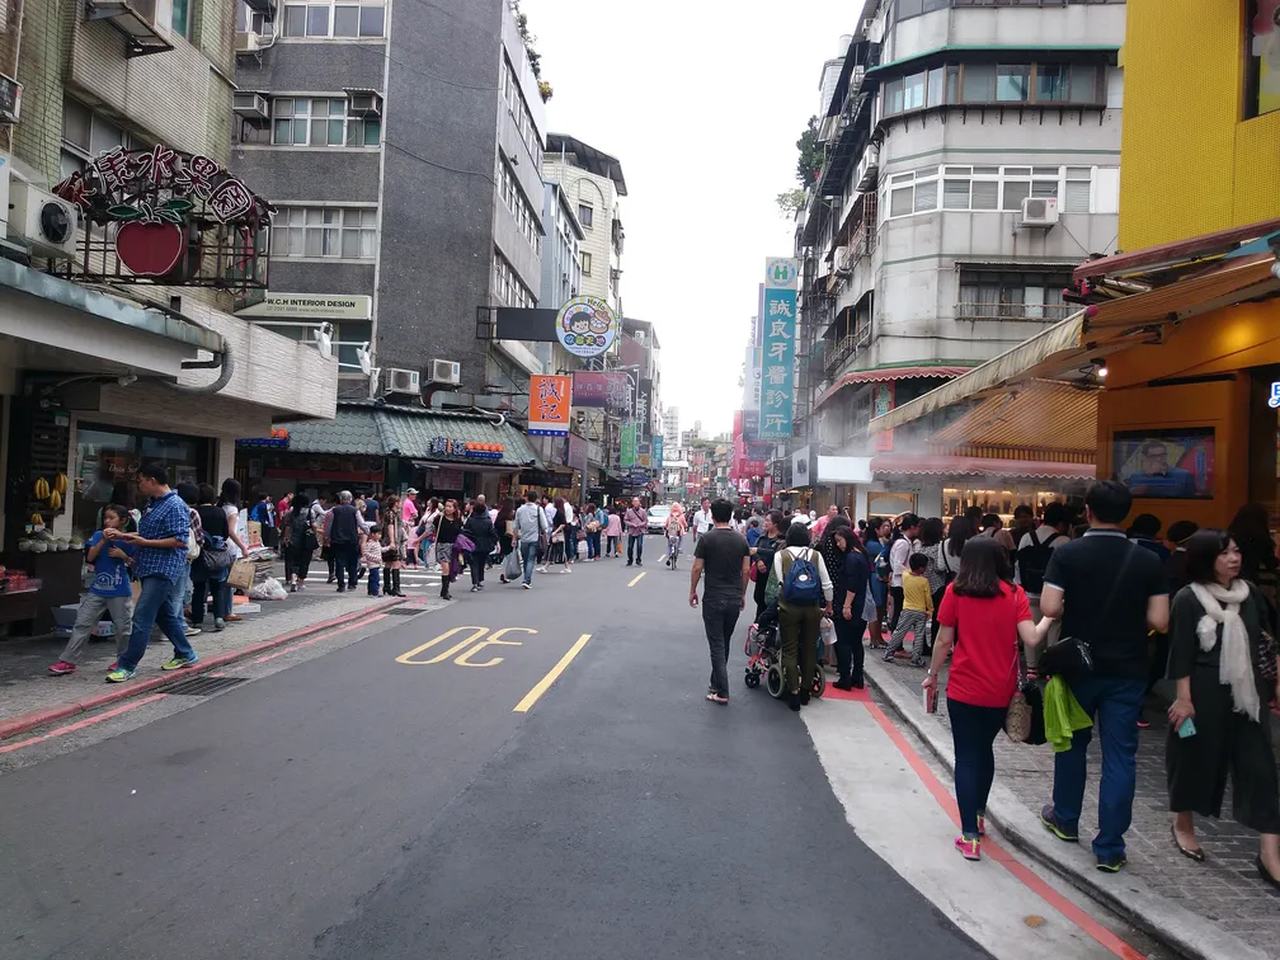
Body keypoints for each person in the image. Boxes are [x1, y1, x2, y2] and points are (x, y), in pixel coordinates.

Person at [1038, 480, 1170, 872]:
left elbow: (1050, 606)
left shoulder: (1070, 553)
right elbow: (1160, 621)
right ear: (1126, 514)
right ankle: (1110, 846)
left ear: (1087, 512)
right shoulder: (1150, 560)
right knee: (1120, 757)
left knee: (1072, 743)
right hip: (1128, 670)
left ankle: (1065, 818)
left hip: (1079, 666)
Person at [1165, 530, 1280, 885]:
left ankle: (1270, 854)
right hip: (1203, 690)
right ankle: (1182, 822)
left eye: (1236, 551)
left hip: (1248, 695)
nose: (1234, 558)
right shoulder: (1188, 598)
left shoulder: (1251, 595)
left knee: (1261, 769)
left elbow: (1269, 641)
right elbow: (1181, 652)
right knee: (1193, 758)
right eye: (1225, 553)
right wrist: (1183, 698)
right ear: (1205, 558)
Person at [922, 536, 1040, 861]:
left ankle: (969, 836)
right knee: (984, 750)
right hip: (999, 691)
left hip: (963, 687)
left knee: (967, 756)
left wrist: (932, 675)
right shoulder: (1014, 595)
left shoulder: (955, 592)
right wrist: (1051, 617)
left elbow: (944, 640)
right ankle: (978, 817)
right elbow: (1031, 637)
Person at [105, 463, 198, 682]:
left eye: (141, 481)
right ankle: (186, 653)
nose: (139, 485)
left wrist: (144, 541)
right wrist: (125, 536)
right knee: (164, 615)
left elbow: (179, 540)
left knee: (142, 616)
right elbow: (149, 534)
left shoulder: (175, 505)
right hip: (147, 566)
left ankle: (127, 665)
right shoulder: (154, 504)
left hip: (163, 569)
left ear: (152, 480)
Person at [48, 504, 136, 676]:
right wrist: (103, 540)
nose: (107, 521)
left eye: (112, 518)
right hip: (97, 589)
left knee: (123, 627)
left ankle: (123, 660)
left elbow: (135, 563)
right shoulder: (97, 535)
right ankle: (68, 660)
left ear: (123, 521)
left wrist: (123, 556)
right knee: (82, 622)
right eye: (105, 518)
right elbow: (90, 557)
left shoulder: (128, 539)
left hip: (119, 590)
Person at [689, 498, 751, 705]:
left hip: (714, 597)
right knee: (723, 641)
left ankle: (722, 691)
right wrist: (742, 594)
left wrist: (692, 590)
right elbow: (745, 570)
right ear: (731, 515)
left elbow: (697, 568)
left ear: (713, 516)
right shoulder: (741, 540)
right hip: (733, 597)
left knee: (716, 643)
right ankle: (715, 684)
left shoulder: (707, 539)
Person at [769, 523, 834, 711]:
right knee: (809, 647)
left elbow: (780, 583)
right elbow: (827, 583)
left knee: (789, 649)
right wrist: (828, 604)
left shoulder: (780, 555)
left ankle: (794, 692)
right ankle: (806, 689)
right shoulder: (815, 555)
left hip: (788, 608)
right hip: (812, 608)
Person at [827, 526, 871, 690]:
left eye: (839, 541)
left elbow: (851, 584)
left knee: (843, 641)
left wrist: (846, 606)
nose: (838, 544)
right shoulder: (862, 554)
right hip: (861, 605)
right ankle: (857, 676)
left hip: (850, 604)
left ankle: (845, 677)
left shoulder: (851, 558)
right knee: (856, 642)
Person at [1015, 502, 1070, 621]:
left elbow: (1018, 567)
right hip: (1055, 598)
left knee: (1033, 636)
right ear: (1061, 523)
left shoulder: (1026, 537)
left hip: (1029, 596)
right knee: (1054, 636)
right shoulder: (1064, 541)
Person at [190, 483, 231, 632]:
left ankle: (197, 620)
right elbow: (225, 534)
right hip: (217, 554)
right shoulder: (220, 512)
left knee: (199, 588)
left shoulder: (195, 512)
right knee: (218, 587)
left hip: (200, 554)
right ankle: (218, 618)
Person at [1228, 503, 1280, 615]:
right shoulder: (1261, 538)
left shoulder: (1230, 535)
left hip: (1229, 578)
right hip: (1250, 580)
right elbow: (1271, 564)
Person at [883, 554, 933, 667]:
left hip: (907, 609)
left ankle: (888, 652)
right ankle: (916, 658)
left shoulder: (905, 576)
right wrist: (930, 609)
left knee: (899, 631)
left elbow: (905, 570)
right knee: (919, 635)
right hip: (921, 611)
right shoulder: (924, 581)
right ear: (921, 568)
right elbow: (928, 598)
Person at [217, 479, 251, 621]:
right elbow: (231, 531)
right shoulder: (232, 510)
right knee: (230, 582)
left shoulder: (220, 507)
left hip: (219, 547)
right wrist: (243, 546)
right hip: (230, 547)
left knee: (219, 581)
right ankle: (227, 611)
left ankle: (220, 611)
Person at [323, 490, 362, 593]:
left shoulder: (334, 511)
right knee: (352, 562)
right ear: (350, 499)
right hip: (352, 540)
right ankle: (352, 583)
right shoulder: (355, 510)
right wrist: (367, 532)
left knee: (339, 563)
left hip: (337, 540)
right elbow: (361, 523)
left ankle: (341, 585)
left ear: (340, 499)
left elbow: (328, 526)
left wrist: (326, 537)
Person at [888, 514, 922, 631]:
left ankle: (896, 642)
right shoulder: (903, 543)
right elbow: (898, 565)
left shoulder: (903, 542)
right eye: (918, 527)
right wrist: (911, 573)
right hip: (900, 583)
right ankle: (897, 643)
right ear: (912, 527)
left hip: (899, 582)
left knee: (899, 613)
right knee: (899, 614)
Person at [864, 517, 892, 648]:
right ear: (876, 529)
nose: (885, 529)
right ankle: (874, 638)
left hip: (878, 576)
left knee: (880, 609)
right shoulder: (873, 545)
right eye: (882, 527)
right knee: (876, 607)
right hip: (875, 577)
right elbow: (885, 554)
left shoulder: (875, 542)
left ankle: (878, 637)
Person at [284, 494, 317, 592]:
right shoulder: (309, 512)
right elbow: (314, 525)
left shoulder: (291, 512)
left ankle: (293, 579)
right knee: (305, 562)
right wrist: (314, 533)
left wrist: (286, 538)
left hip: (294, 540)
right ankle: (301, 582)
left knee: (294, 561)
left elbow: (288, 527)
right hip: (306, 541)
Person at [463, 494, 496, 592]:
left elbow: (465, 531)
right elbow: (493, 533)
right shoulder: (488, 521)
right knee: (481, 563)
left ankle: (475, 582)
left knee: (474, 564)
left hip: (472, 544)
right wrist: (493, 543)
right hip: (485, 545)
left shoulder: (470, 520)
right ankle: (480, 580)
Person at [514, 490, 547, 589]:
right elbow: (544, 525)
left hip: (523, 538)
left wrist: (515, 538)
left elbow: (516, 526)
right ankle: (527, 580)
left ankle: (526, 578)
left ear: (527, 498)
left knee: (525, 559)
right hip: (535, 538)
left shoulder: (520, 510)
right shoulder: (538, 509)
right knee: (531, 559)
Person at [434, 498, 462, 600]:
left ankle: (444, 590)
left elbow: (459, 533)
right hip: (442, 545)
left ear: (455, 509)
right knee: (445, 567)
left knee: (450, 568)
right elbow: (432, 528)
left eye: (450, 507)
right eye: (446, 506)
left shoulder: (458, 520)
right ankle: (445, 591)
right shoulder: (439, 518)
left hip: (453, 546)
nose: (448, 508)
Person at [624, 497, 647, 567]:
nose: (636, 503)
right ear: (632, 503)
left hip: (640, 531)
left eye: (637, 501)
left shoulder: (643, 511)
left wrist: (640, 524)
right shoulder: (629, 511)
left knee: (639, 546)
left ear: (639, 503)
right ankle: (630, 560)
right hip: (632, 531)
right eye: (634, 501)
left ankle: (638, 559)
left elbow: (645, 521)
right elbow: (625, 520)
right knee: (630, 547)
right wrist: (632, 524)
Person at [360, 528, 383, 597]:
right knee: (375, 578)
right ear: (373, 534)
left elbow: (380, 550)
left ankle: (370, 591)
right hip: (373, 564)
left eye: (380, 534)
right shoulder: (370, 543)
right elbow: (366, 553)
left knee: (372, 577)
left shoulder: (377, 542)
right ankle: (374, 592)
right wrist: (377, 558)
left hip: (376, 564)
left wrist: (388, 548)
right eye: (378, 534)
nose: (380, 536)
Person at [664, 502, 687, 568]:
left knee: (669, 545)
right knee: (678, 544)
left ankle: (669, 556)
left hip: (671, 532)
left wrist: (666, 528)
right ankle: (678, 551)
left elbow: (666, 524)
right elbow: (685, 524)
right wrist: (685, 526)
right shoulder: (681, 516)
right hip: (679, 533)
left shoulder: (670, 516)